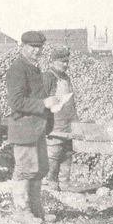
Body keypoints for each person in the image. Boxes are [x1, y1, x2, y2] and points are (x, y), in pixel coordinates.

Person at [6, 30, 58, 220]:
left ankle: (37, 211)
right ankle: (22, 211)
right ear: (23, 47)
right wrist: (43, 104)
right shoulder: (18, 69)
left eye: (40, 47)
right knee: (25, 171)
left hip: (37, 128)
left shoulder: (33, 68)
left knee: (39, 169)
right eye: (33, 47)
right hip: (24, 128)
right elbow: (16, 102)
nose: (37, 51)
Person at [42, 47, 79, 191]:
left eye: (67, 61)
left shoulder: (66, 78)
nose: (65, 64)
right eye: (62, 61)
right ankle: (51, 182)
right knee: (54, 153)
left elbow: (71, 101)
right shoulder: (47, 77)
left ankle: (64, 183)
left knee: (68, 153)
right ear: (53, 61)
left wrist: (76, 121)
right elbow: (42, 101)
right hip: (54, 123)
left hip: (68, 122)